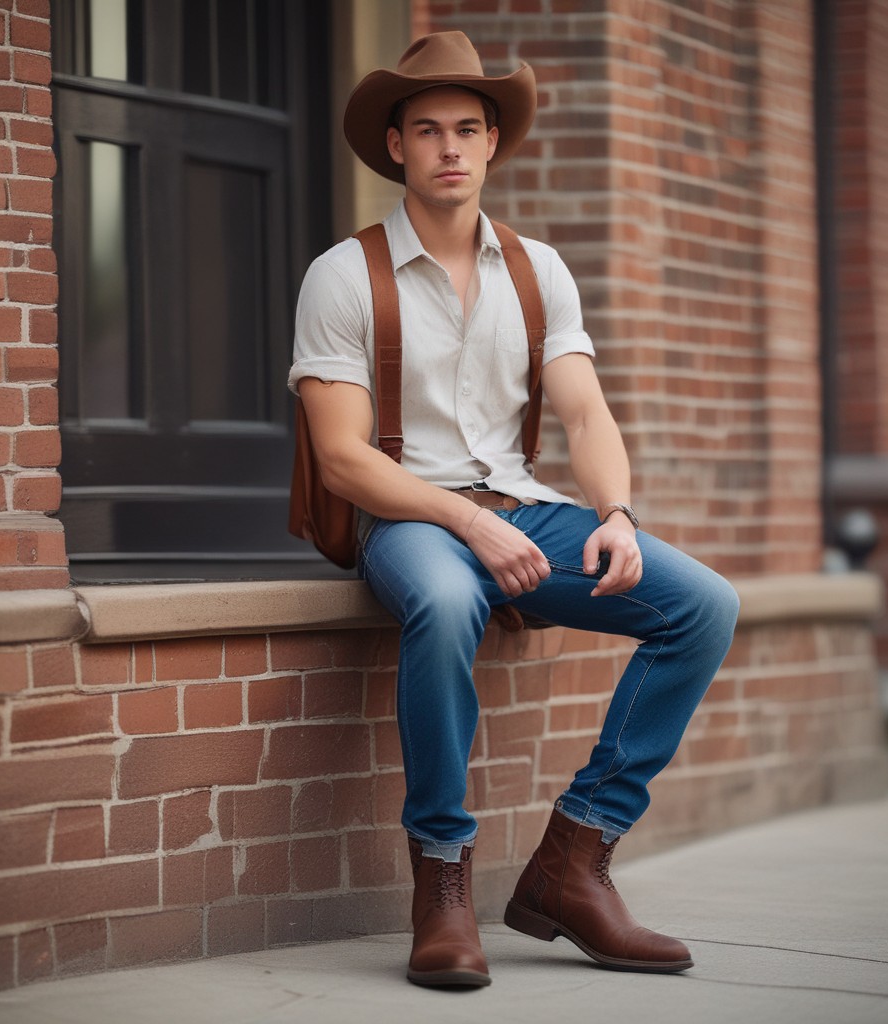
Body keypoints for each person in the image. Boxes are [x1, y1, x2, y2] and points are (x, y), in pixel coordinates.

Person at [288, 30, 740, 989]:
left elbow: (585, 410)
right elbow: (340, 459)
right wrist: (467, 522)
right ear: (397, 149)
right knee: (449, 602)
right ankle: (442, 880)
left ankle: (576, 860)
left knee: (704, 606)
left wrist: (614, 513)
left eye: (466, 128)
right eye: (426, 130)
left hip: (527, 509)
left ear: (492, 142)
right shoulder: (343, 275)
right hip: (408, 517)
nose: (448, 147)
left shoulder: (539, 272)